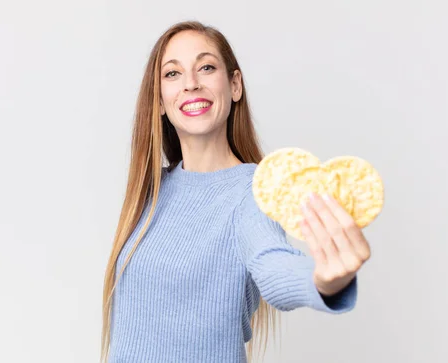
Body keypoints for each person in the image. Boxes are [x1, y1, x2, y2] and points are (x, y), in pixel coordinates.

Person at [100, 20, 370, 363]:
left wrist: (325, 281)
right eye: (172, 74)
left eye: (206, 67)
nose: (191, 84)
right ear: (159, 102)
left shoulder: (252, 191)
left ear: (235, 85)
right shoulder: (153, 191)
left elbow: (274, 266)